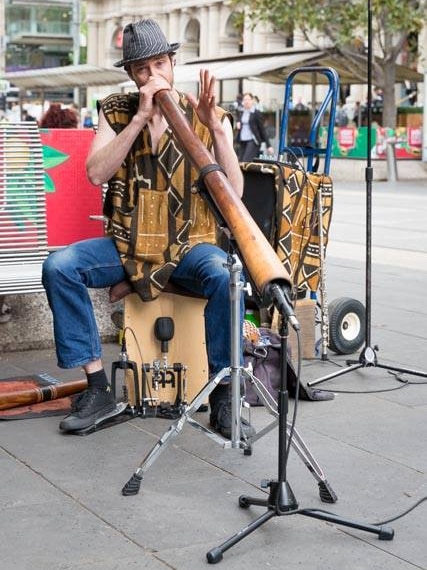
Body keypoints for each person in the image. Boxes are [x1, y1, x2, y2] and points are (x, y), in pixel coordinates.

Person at [42, 18, 253, 438]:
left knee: (227, 276)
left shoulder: (209, 112)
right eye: (143, 69)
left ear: (173, 63)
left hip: (191, 243)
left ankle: (225, 395)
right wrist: (139, 118)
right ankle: (98, 386)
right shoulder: (117, 111)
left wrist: (214, 129)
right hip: (128, 244)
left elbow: (236, 192)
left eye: (160, 64)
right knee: (59, 265)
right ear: (131, 75)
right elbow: (95, 173)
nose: (153, 75)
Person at [235, 92, 273, 161]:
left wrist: (268, 145)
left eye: (248, 99)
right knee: (240, 162)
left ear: (252, 101)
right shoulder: (241, 112)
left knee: (245, 161)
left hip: (253, 140)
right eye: (244, 100)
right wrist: (238, 123)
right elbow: (239, 121)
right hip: (243, 140)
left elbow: (262, 129)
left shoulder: (256, 113)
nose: (246, 101)